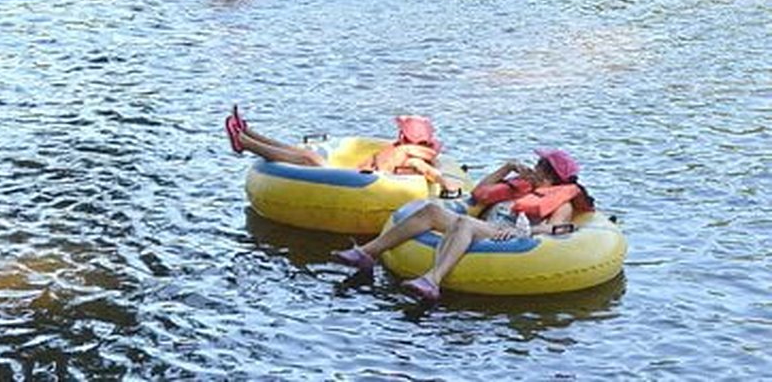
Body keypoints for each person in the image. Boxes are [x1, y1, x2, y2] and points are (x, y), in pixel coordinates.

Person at [331, 148, 595, 300]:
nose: (534, 169)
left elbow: (555, 228)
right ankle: (366, 253)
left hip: (505, 234)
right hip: (485, 225)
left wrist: (520, 231)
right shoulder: (521, 187)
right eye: (537, 164)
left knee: (464, 224)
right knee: (432, 210)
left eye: (541, 167)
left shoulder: (562, 202)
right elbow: (479, 192)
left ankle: (432, 280)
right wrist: (508, 167)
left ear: (551, 177)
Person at [223, 106, 458, 190]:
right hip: (349, 177)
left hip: (355, 181)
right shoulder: (406, 153)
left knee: (309, 159)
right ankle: (247, 134)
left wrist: (444, 182)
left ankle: (245, 140)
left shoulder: (410, 158)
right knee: (308, 155)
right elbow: (430, 169)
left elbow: (430, 171)